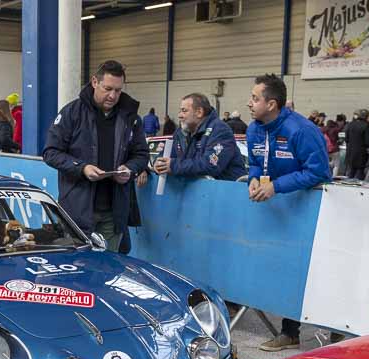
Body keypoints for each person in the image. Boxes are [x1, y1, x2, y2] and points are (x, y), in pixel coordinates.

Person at [245, 73, 331, 351]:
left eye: (255, 98)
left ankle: (322, 330)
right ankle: (289, 331)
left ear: (272, 104)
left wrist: (278, 187)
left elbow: (319, 172)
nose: (249, 103)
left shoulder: (301, 130)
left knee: (306, 271)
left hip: (304, 209)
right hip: (275, 209)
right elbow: (256, 162)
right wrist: (254, 179)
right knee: (280, 268)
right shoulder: (254, 129)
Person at [43, 60, 149, 252]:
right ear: (94, 82)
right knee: (77, 269)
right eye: (108, 88)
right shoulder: (71, 113)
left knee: (108, 269)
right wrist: (81, 168)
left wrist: (130, 169)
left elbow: (141, 154)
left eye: (118, 90)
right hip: (77, 210)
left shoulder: (130, 118)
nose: (113, 95)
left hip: (114, 212)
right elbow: (51, 152)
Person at [153, 93, 245, 181]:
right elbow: (167, 155)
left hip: (226, 192)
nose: (179, 115)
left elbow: (210, 165)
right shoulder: (180, 132)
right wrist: (158, 163)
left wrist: (173, 165)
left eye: (184, 111)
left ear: (199, 112)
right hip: (197, 193)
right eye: (180, 111)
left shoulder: (220, 130)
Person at [344, 108, 369, 180]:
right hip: (361, 153)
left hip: (350, 152)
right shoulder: (366, 125)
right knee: (359, 174)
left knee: (350, 173)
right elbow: (368, 142)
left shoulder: (350, 124)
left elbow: (346, 139)